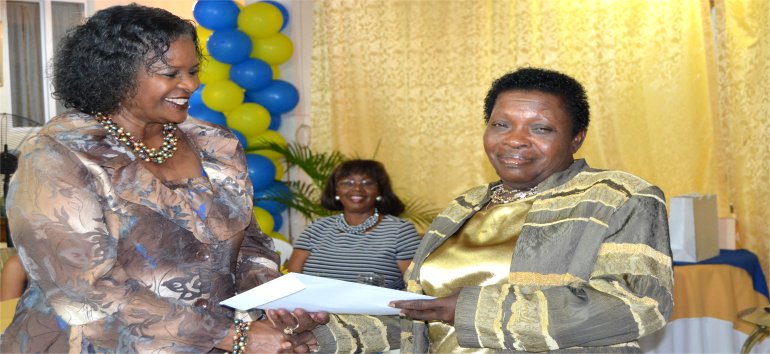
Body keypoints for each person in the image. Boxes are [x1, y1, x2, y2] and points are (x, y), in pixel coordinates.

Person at [0, 5, 324, 353]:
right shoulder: (58, 155)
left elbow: (250, 242)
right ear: (115, 76)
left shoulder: (216, 143)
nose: (192, 84)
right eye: (171, 73)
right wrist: (230, 337)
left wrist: (272, 299)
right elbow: (86, 288)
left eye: (194, 70)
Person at [293, 68, 674, 353]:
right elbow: (419, 321)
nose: (515, 140)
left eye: (541, 129)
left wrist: (470, 310)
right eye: (501, 124)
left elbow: (637, 306)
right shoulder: (464, 206)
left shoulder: (620, 196)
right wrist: (323, 337)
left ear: (576, 137)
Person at [285, 159, 421, 289]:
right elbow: (292, 282)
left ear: (379, 191)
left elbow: (415, 286)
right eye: (347, 183)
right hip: (315, 310)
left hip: (373, 312)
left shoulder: (400, 230)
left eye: (367, 183)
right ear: (336, 190)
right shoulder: (317, 228)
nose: (357, 189)